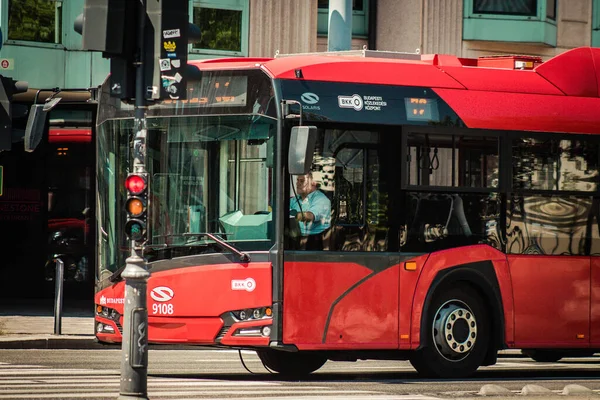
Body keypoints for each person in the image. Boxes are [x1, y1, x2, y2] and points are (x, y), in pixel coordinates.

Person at [290, 172, 331, 238]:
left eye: (302, 181)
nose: (298, 183)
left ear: (313, 183)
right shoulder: (295, 199)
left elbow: (310, 216)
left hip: (313, 242)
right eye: (297, 180)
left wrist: (295, 215)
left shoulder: (321, 200)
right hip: (295, 239)